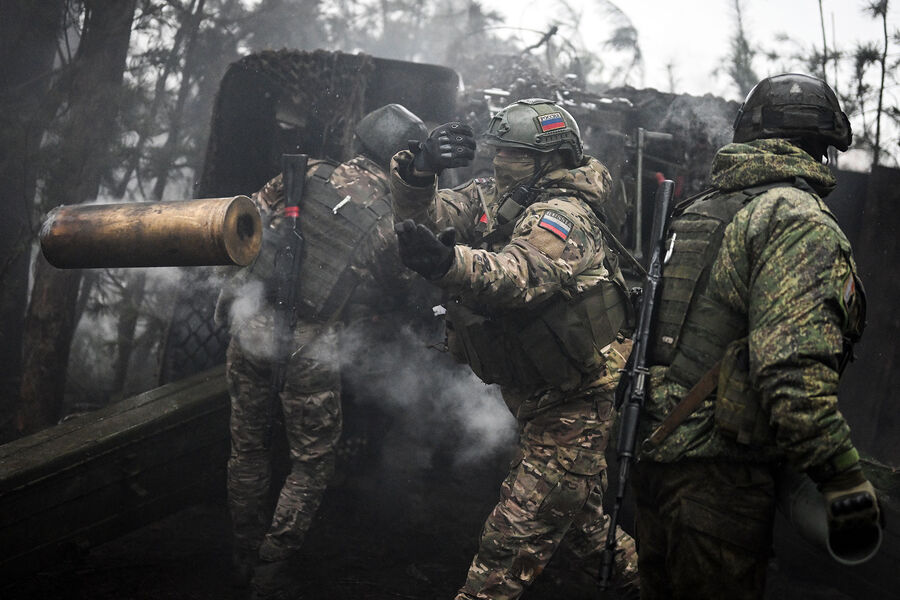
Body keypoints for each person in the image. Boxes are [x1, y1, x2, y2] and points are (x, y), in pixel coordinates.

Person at [630, 73, 879, 599]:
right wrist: (842, 479)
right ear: (824, 145)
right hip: (720, 480)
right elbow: (791, 374)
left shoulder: (700, 210)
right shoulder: (796, 219)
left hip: (654, 462)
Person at [391, 98, 639, 599]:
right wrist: (421, 170)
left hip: (575, 403)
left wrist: (449, 265)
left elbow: (522, 275)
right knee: (588, 537)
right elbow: (431, 213)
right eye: (499, 149)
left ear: (550, 159)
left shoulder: (565, 215)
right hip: (536, 394)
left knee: (505, 552)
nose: (500, 160)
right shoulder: (499, 194)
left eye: (515, 153)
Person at [216, 103, 427, 600]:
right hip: (310, 346)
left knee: (246, 448)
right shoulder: (386, 219)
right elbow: (399, 284)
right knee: (310, 464)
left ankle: (243, 554)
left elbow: (246, 218)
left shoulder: (305, 172)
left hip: (251, 326)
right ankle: (271, 571)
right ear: (403, 159)